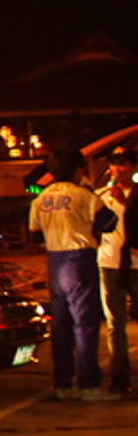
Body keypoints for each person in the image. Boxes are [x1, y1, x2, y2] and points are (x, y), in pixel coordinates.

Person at [29, 148, 120, 401]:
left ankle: (63, 383)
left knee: (60, 326)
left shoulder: (41, 199)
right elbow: (109, 222)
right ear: (78, 170)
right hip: (79, 259)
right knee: (86, 324)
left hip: (54, 260)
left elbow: (34, 234)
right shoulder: (84, 195)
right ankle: (89, 384)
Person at [95, 146, 136, 393]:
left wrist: (125, 204)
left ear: (133, 167)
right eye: (113, 163)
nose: (117, 168)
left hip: (135, 264)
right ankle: (120, 377)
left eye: (122, 163)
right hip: (109, 264)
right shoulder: (101, 196)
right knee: (114, 324)